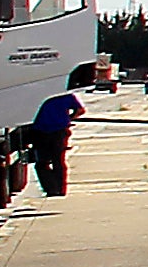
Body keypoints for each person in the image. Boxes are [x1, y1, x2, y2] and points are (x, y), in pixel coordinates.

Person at [24, 63, 104, 199]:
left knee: (42, 163)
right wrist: (69, 117)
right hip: (59, 130)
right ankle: (60, 188)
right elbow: (80, 110)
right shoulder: (64, 94)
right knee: (58, 160)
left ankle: (50, 188)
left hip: (40, 130)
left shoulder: (36, 94)